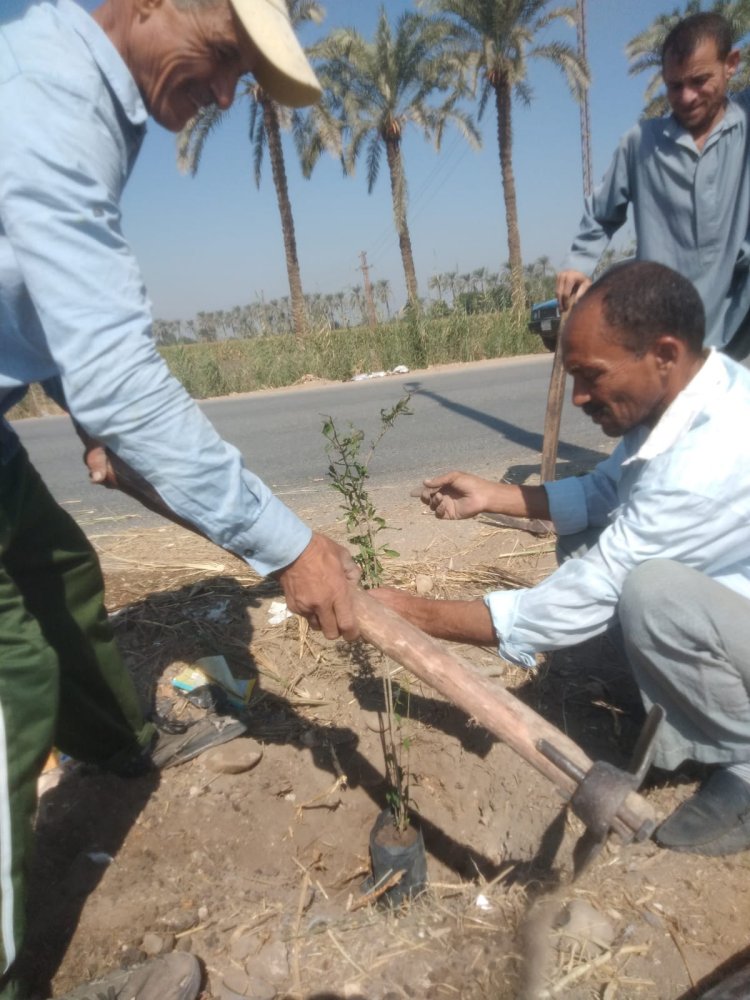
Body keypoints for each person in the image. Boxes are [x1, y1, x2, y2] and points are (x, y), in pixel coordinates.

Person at [0, 0, 360, 996]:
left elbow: (34, 298)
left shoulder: (93, 104)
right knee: (10, 678)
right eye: (227, 57)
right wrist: (287, 544)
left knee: (59, 571)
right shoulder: (47, 96)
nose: (228, 93)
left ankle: (118, 750)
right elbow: (120, 367)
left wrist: (85, 411)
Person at [375, 260, 750, 859]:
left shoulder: (711, 457)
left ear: (664, 353)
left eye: (591, 376)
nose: (578, 398)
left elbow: (595, 589)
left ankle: (744, 761)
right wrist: (494, 495)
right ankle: (680, 705)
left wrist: (406, 613)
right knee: (587, 540)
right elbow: (608, 490)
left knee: (650, 592)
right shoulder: (690, 390)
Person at [556, 13, 750, 358]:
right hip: (665, 329)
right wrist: (578, 263)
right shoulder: (641, 144)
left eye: (700, 80)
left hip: (738, 327)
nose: (687, 97)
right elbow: (602, 215)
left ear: (730, 64)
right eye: (674, 85)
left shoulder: (746, 124)